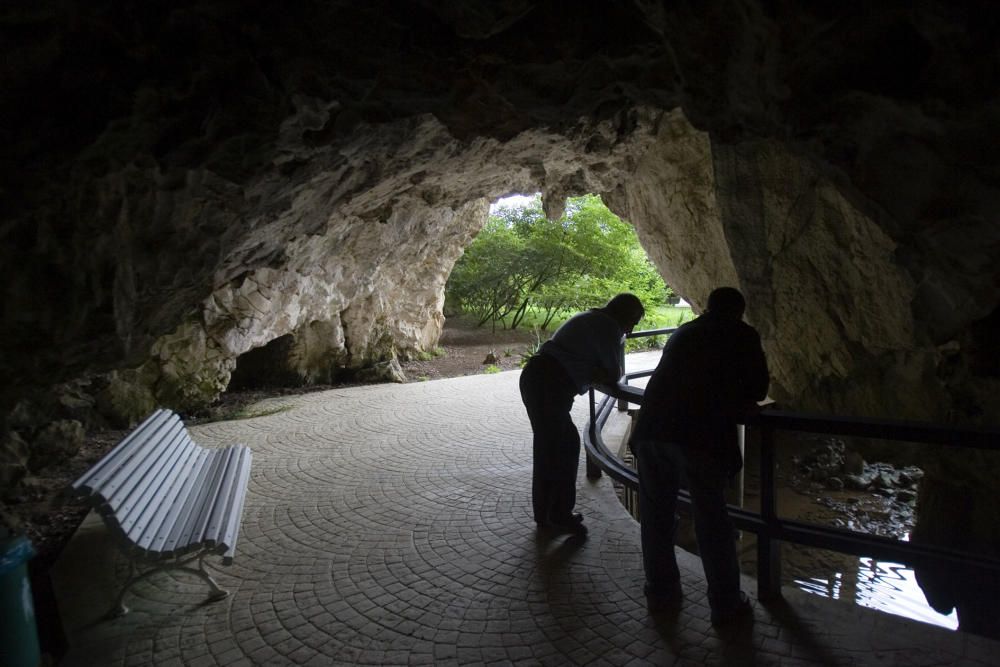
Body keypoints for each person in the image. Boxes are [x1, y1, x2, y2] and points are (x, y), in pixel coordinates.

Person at [628, 286, 769, 625]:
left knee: (657, 517)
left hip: (651, 431)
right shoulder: (742, 333)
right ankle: (725, 603)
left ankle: (661, 593)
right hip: (699, 437)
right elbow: (758, 389)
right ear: (739, 310)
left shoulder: (685, 331)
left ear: (707, 306)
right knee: (713, 522)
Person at [520, 293, 645, 535]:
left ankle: (546, 515)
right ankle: (558, 515)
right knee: (563, 447)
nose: (631, 330)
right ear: (625, 316)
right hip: (549, 385)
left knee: (550, 449)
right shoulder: (608, 327)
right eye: (633, 323)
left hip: (539, 378)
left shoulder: (593, 318)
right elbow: (613, 373)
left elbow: (607, 371)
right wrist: (599, 367)